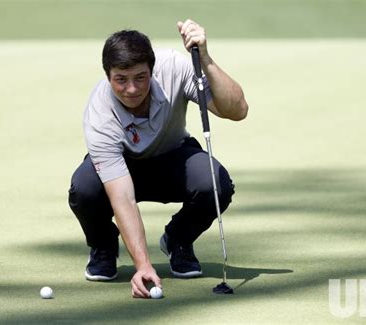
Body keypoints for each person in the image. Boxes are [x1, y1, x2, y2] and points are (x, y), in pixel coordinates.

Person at [68, 19, 248, 299]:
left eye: (141, 77)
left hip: (173, 157)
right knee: (85, 187)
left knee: (215, 182)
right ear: (108, 75)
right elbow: (123, 198)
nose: (132, 89)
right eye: (121, 80)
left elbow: (237, 110)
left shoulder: (174, 68)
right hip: (123, 168)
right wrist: (143, 266)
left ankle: (179, 238)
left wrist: (206, 58)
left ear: (152, 70)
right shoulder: (99, 113)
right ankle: (103, 246)